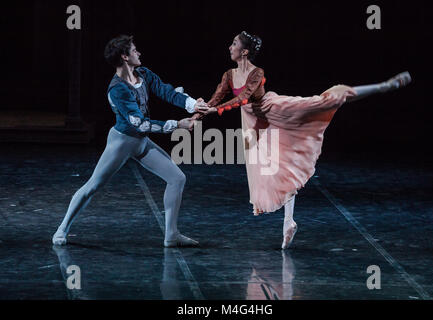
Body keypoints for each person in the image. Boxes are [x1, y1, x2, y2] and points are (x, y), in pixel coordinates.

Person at [194, 31, 411, 249]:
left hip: (273, 110)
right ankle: (289, 222)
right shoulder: (229, 75)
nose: (229, 47)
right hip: (253, 121)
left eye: (233, 44)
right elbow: (217, 97)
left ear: (245, 51)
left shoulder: (256, 72)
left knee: (325, 101)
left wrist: (214, 110)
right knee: (274, 169)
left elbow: (243, 98)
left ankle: (384, 86)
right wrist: (197, 114)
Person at [52, 35, 210, 247]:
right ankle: (62, 228)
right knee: (93, 186)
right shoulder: (117, 89)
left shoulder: (143, 74)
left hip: (141, 142)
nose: (139, 53)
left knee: (177, 178)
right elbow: (140, 124)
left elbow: (166, 91)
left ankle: (171, 234)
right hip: (122, 142)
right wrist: (178, 125)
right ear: (125, 56)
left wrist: (192, 105)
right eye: (135, 50)